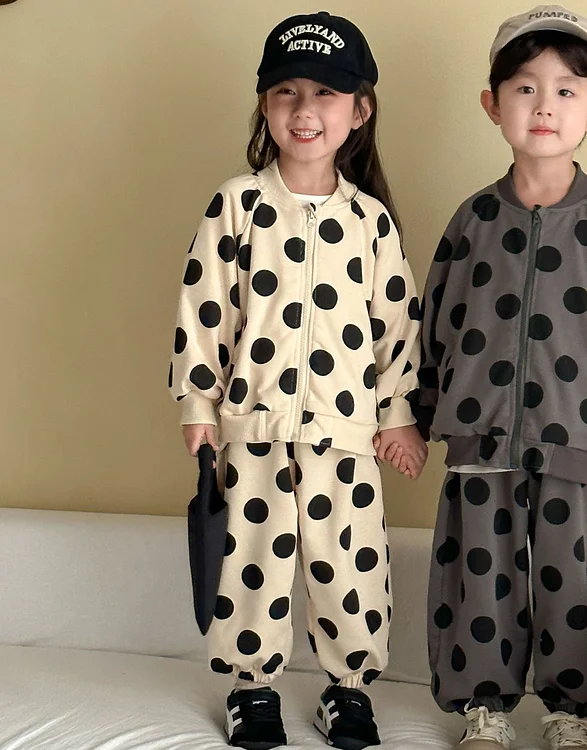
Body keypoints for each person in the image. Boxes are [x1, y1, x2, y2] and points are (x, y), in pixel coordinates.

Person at [411, 6, 587, 749]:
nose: (544, 106)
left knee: (575, 582)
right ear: (492, 104)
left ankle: (573, 713)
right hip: (479, 440)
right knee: (479, 581)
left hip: (580, 444)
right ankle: (484, 709)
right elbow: (434, 325)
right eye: (525, 88)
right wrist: (417, 415)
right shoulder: (471, 222)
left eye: (566, 90)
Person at [168, 11, 427, 749]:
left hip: (346, 435)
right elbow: (205, 306)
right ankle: (251, 688)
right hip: (252, 427)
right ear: (264, 103)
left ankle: (349, 689)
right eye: (287, 91)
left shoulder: (371, 222)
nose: (305, 109)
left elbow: (396, 325)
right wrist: (197, 401)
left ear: (359, 110)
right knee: (250, 564)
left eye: (325, 93)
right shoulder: (238, 205)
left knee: (351, 564)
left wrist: (398, 415)